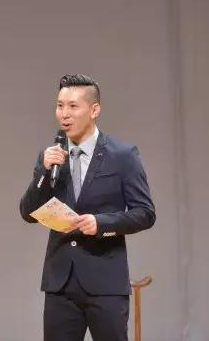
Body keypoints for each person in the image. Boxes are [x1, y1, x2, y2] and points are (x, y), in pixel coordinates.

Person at [20, 74, 156, 341]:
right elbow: (28, 212)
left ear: (94, 110)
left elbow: (145, 213)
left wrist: (102, 223)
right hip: (60, 284)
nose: (64, 114)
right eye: (60, 105)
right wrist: (43, 172)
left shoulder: (122, 155)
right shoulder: (51, 157)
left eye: (73, 106)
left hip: (106, 283)